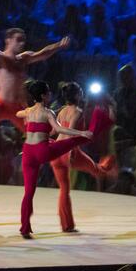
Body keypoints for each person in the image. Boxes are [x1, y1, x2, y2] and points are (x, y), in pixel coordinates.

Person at [17, 81, 93, 239]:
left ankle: (25, 228)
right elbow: (59, 129)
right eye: (49, 93)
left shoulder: (29, 111)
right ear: (44, 96)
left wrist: (25, 113)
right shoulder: (48, 112)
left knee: (28, 193)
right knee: (71, 141)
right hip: (42, 151)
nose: (51, 95)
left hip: (27, 152)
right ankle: (86, 136)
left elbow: (18, 114)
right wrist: (81, 132)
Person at [0, 29, 71, 135]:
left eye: (23, 40)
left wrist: (59, 45)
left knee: (36, 134)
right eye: (18, 39)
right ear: (8, 40)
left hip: (17, 107)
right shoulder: (0, 57)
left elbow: (43, 54)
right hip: (0, 104)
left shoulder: (23, 58)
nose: (22, 43)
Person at [49, 82, 115, 232]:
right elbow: (70, 130)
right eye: (81, 92)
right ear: (78, 95)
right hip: (69, 151)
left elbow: (54, 131)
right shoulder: (77, 111)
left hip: (56, 152)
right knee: (97, 171)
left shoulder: (62, 111)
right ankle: (107, 164)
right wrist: (82, 134)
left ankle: (67, 225)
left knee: (64, 190)